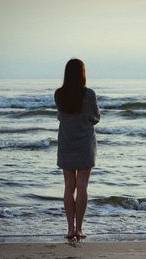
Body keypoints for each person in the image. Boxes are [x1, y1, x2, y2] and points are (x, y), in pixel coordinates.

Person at [54, 58, 100, 240]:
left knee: (68, 186)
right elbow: (95, 117)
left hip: (66, 143)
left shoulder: (59, 94)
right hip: (84, 144)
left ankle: (69, 229)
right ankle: (79, 229)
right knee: (82, 187)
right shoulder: (88, 94)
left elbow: (61, 117)